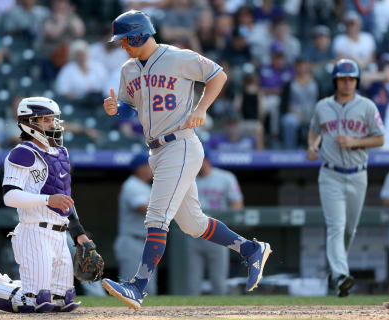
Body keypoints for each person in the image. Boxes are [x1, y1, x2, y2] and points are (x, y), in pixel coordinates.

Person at [101, 10, 272, 310]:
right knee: (193, 224)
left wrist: (203, 107)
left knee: (156, 218)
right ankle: (250, 248)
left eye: (125, 39)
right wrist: (117, 109)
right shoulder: (128, 69)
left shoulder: (177, 57)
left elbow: (218, 75)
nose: (122, 45)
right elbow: (130, 109)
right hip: (157, 150)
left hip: (180, 144)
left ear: (140, 34)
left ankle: (137, 287)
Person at [0, 97, 102, 313]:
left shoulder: (62, 153)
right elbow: (10, 196)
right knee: (35, 301)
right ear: (30, 123)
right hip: (34, 232)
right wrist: (48, 200)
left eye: (54, 119)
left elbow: (66, 200)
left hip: (60, 235)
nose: (53, 124)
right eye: (46, 120)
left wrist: (79, 234)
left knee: (62, 300)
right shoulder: (21, 153)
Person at [307, 59, 385, 297]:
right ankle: (341, 276)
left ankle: (334, 272)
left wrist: (356, 142)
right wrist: (312, 146)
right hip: (330, 174)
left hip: (358, 174)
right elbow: (314, 130)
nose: (347, 83)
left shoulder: (367, 106)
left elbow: (380, 139)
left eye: (351, 79)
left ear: (357, 81)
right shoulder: (323, 106)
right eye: (343, 79)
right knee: (336, 226)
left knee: (349, 229)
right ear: (336, 81)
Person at [186, 149, 243, 296]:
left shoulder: (225, 177)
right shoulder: (188, 179)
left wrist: (227, 231)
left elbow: (237, 204)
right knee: (192, 283)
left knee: (218, 282)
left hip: (217, 235)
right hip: (194, 235)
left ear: (207, 160)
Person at [114, 153, 157, 296]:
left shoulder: (145, 187)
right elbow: (144, 209)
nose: (152, 169)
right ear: (140, 168)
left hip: (145, 243)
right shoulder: (132, 185)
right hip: (132, 242)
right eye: (149, 166)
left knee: (148, 290)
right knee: (130, 288)